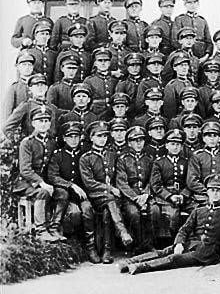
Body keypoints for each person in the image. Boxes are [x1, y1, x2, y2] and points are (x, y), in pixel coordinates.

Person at [125, 175, 220, 275]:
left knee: (174, 259)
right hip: (192, 244)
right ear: (207, 192)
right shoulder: (199, 210)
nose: (215, 193)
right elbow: (184, 230)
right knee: (164, 251)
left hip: (208, 252)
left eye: (218, 190)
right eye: (212, 190)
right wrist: (179, 243)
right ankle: (129, 262)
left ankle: (140, 267)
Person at [79, 121, 133, 263]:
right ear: (91, 138)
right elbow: (89, 183)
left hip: (110, 199)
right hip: (93, 195)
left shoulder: (112, 155)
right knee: (106, 200)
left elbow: (118, 176)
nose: (102, 139)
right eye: (98, 136)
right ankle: (120, 232)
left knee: (108, 211)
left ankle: (107, 251)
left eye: (104, 136)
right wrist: (110, 188)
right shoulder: (86, 158)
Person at [47, 121, 101, 262]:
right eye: (70, 136)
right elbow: (52, 176)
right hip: (66, 196)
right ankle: (74, 244)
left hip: (84, 195)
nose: (73, 140)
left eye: (76, 136)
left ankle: (90, 247)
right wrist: (70, 185)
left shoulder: (85, 154)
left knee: (88, 210)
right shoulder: (58, 155)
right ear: (64, 138)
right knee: (75, 213)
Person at [16, 106, 61, 242]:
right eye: (40, 121)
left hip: (45, 181)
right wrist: (41, 183)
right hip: (26, 182)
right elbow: (25, 170)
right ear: (33, 123)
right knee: (43, 193)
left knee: (62, 193)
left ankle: (54, 228)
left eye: (46, 121)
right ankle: (41, 230)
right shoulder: (27, 143)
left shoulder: (52, 142)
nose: (43, 124)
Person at [116, 126, 155, 253]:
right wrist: (135, 198)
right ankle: (137, 245)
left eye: (141, 140)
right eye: (135, 140)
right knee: (133, 213)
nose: (138, 143)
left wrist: (146, 194)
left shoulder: (149, 159)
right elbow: (122, 182)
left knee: (153, 211)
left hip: (146, 194)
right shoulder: (123, 159)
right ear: (129, 142)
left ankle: (149, 245)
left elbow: (152, 179)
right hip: (130, 196)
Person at [149, 128, 193, 239]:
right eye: (172, 144)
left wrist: (183, 195)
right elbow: (156, 185)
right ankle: (160, 241)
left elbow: (190, 182)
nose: (175, 147)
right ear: (166, 146)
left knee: (179, 215)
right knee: (160, 213)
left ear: (182, 146)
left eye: (178, 144)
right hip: (164, 196)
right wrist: (169, 196)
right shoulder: (159, 162)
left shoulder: (187, 162)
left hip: (181, 196)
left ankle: (177, 241)